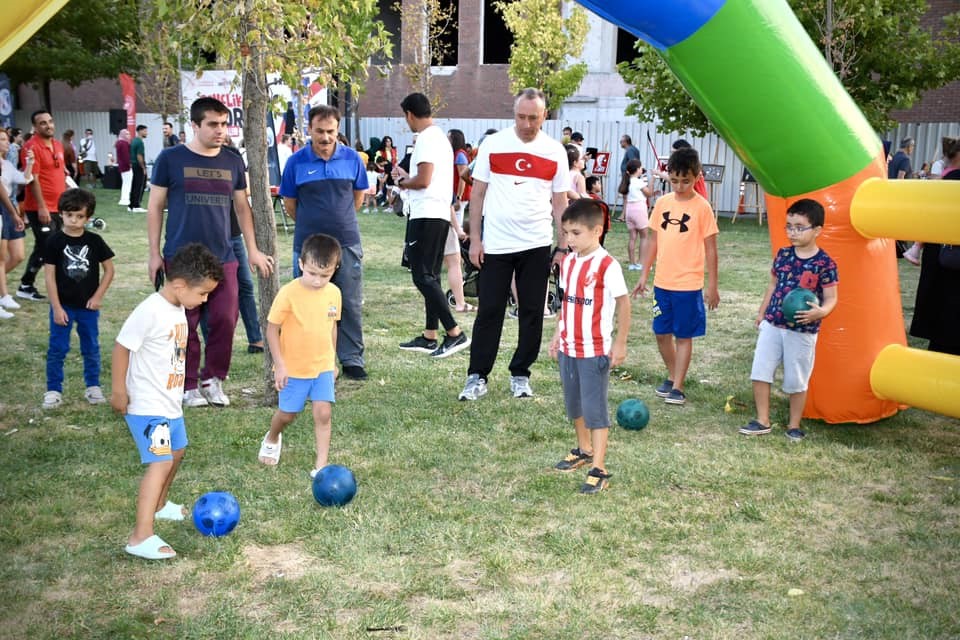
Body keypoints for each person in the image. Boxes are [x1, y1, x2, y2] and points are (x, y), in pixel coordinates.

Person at [147, 97, 275, 408]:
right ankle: (188, 385)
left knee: (225, 318)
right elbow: (155, 207)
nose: (220, 130)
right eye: (212, 124)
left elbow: (242, 208)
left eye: (223, 124)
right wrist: (153, 254)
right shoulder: (170, 159)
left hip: (223, 254)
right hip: (181, 256)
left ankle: (213, 379)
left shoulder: (232, 161)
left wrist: (254, 251)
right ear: (195, 125)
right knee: (184, 325)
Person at [112, 243, 224, 560]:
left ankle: (160, 505)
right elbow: (122, 348)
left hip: (169, 406)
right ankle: (140, 537)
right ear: (179, 285)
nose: (204, 300)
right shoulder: (150, 310)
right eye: (203, 294)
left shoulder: (177, 308)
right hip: (149, 409)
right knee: (160, 462)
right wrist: (119, 390)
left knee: (178, 452)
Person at [458, 88, 569, 401]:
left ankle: (521, 374)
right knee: (489, 310)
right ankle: (477, 376)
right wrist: (476, 239)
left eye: (533, 117)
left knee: (532, 310)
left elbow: (559, 203)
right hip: (496, 245)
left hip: (535, 244)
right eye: (521, 116)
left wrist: (561, 246)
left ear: (544, 116)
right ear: (514, 114)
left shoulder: (555, 151)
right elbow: (476, 195)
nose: (526, 123)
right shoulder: (494, 144)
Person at [280, 104, 369, 380]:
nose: (326, 137)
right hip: (308, 246)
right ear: (309, 129)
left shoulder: (353, 159)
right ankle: (310, 359)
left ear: (337, 130)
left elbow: (357, 198)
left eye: (331, 131)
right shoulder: (295, 162)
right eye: (319, 131)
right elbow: (290, 204)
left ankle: (352, 359)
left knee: (349, 302)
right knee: (307, 303)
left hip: (346, 243)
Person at [549, 199, 630, 494]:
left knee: (595, 411)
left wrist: (619, 343)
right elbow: (566, 302)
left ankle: (599, 467)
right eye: (566, 233)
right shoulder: (568, 262)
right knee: (575, 405)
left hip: (593, 350)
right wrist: (558, 334)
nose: (569, 239)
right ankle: (583, 450)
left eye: (575, 233)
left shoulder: (607, 265)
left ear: (597, 231)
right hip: (569, 347)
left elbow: (624, 304)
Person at [740, 198, 839, 440]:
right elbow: (772, 284)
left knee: (797, 379)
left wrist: (822, 312)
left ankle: (794, 425)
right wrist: (762, 313)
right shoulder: (783, 254)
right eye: (789, 226)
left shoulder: (824, 263)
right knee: (760, 370)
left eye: (799, 226)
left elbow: (831, 298)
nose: (792, 232)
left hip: (802, 331)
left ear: (817, 230)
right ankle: (762, 419)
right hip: (773, 324)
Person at [631, 146, 720, 406]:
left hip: (688, 285)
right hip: (663, 283)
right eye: (675, 180)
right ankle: (673, 375)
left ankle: (678, 386)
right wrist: (644, 275)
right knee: (661, 333)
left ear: (697, 177)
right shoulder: (661, 203)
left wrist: (712, 286)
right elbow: (652, 242)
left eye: (686, 181)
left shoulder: (702, 207)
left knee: (683, 336)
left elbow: (711, 250)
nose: (680, 186)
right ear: (668, 175)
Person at [394, 92, 471, 359]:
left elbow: (424, 179)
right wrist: (409, 177)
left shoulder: (426, 138)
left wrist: (402, 182)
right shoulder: (441, 138)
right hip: (438, 212)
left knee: (422, 276)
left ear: (410, 115)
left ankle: (454, 332)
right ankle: (429, 335)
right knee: (431, 276)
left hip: (426, 214)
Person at [258, 233, 342, 476]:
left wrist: (333, 360)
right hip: (293, 368)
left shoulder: (334, 293)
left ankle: (321, 466)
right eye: (312, 273)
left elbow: (332, 326)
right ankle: (273, 437)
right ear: (301, 264)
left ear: (335, 270)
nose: (317, 281)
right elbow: (272, 329)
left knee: (323, 412)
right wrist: (280, 365)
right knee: (287, 415)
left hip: (322, 365)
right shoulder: (288, 293)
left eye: (325, 275)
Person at [41, 189, 115, 409]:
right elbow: (49, 276)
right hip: (63, 306)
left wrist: (97, 296)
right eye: (69, 215)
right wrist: (56, 307)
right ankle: (53, 390)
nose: (74, 220)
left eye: (80, 216)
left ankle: (93, 387)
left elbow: (109, 271)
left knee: (91, 347)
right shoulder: (54, 241)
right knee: (57, 348)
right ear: (61, 214)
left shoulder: (94, 241)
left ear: (88, 217)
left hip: (88, 308)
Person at [909, 136, 960, 356]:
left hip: (940, 262)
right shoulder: (950, 181)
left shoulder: (943, 181)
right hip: (948, 265)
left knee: (942, 334)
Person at [18, 110, 67, 302]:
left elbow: (60, 173)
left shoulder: (57, 145)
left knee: (44, 246)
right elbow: (32, 180)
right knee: (50, 246)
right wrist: (42, 206)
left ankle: (26, 285)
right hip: (40, 207)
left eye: (50, 121)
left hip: (59, 206)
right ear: (36, 127)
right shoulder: (31, 147)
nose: (48, 125)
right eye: (43, 123)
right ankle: (55, 288)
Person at [0, 130, 34, 315]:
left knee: (18, 255)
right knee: (0, 258)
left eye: (7, 139)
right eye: (2, 140)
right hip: (6, 209)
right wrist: (14, 213)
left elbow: (24, 179)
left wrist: (29, 163)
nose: (7, 143)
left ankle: (3, 293)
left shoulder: (6, 164)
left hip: (9, 208)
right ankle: (3, 295)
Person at [447, 128, 472, 312]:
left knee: (456, 229)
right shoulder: (458, 154)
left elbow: (463, 177)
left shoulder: (459, 155)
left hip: (459, 198)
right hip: (458, 197)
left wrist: (458, 197)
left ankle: (457, 256)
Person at [624, 159, 653, 271]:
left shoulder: (628, 181)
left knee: (632, 238)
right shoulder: (638, 182)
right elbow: (649, 194)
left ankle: (632, 264)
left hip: (629, 210)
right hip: (639, 209)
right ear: (637, 170)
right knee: (644, 236)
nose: (642, 169)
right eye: (641, 168)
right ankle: (641, 263)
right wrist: (652, 181)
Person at [129, 125, 148, 213]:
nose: (146, 133)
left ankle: (131, 205)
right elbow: (139, 156)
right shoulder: (139, 142)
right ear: (140, 131)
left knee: (134, 185)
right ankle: (136, 205)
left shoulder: (134, 140)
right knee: (140, 185)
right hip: (138, 165)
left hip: (134, 165)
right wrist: (143, 167)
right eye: (145, 131)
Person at [115, 129, 132, 206]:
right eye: (127, 134)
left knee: (125, 183)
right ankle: (125, 199)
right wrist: (129, 164)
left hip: (122, 165)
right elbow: (126, 156)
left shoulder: (119, 142)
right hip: (126, 166)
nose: (129, 136)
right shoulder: (124, 143)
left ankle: (124, 199)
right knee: (127, 183)